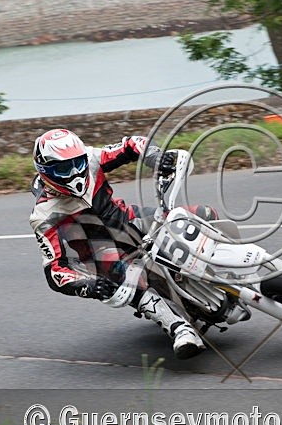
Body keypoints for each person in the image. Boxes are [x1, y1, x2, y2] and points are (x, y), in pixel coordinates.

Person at [29, 129, 217, 359]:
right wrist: (87, 285)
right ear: (45, 171)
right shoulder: (43, 214)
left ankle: (227, 263)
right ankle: (180, 329)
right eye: (63, 169)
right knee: (125, 277)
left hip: (129, 219)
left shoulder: (91, 158)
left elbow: (131, 145)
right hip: (101, 250)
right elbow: (55, 270)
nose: (74, 173)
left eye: (77, 164)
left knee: (202, 213)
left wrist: (156, 156)